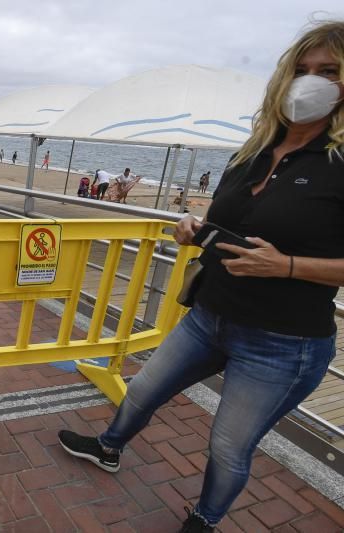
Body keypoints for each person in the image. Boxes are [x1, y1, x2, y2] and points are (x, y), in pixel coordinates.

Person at [58, 21, 344, 532]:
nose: (309, 83)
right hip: (209, 314)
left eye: (329, 72)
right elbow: (228, 217)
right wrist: (196, 226)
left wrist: (289, 266)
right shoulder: (254, 150)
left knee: (229, 444)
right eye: (301, 70)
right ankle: (107, 447)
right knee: (142, 389)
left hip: (283, 343)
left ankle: (204, 520)